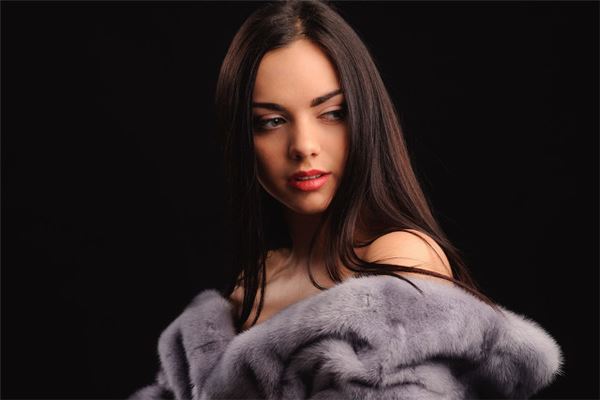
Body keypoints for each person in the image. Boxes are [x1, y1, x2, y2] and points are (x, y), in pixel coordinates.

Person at [130, 1, 562, 399]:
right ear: (241, 139)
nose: (304, 145)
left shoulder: (398, 258)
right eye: (271, 121)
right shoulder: (252, 283)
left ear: (364, 117)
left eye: (332, 113)